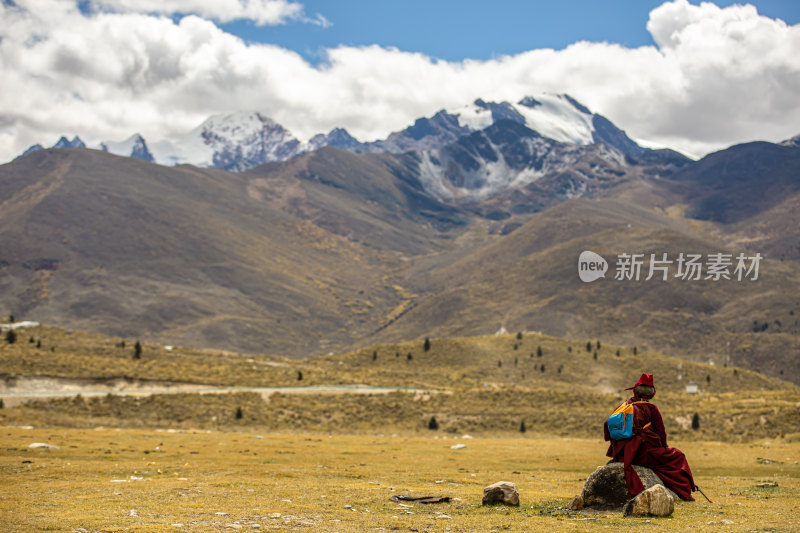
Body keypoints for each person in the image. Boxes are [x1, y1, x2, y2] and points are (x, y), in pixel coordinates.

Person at [603, 373, 696, 501]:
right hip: (642, 454)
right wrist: (664, 449)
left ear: (635, 391)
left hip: (623, 454)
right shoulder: (652, 409)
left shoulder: (624, 406)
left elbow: (609, 427)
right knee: (678, 457)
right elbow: (661, 434)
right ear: (652, 393)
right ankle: (684, 493)